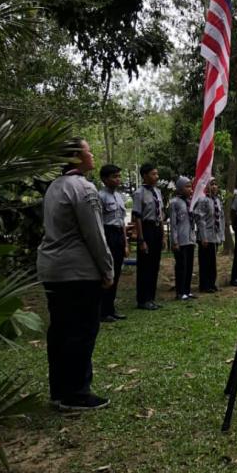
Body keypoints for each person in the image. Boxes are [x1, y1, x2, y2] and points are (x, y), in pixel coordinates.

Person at [37, 138, 113, 411]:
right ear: (75, 158)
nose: (92, 154)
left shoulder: (53, 187)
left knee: (59, 331)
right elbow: (94, 234)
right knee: (81, 331)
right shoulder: (83, 188)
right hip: (78, 272)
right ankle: (78, 393)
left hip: (52, 269)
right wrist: (107, 269)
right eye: (88, 150)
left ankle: (59, 390)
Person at [98, 164, 129, 322]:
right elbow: (98, 222)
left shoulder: (119, 196)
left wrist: (125, 243)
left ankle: (111, 308)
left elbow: (122, 221)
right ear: (104, 179)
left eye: (119, 176)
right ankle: (103, 311)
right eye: (114, 177)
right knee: (107, 272)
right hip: (107, 233)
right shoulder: (100, 196)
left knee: (116, 272)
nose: (118, 179)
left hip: (118, 234)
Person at [132, 163, 164, 310]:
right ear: (145, 176)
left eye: (157, 174)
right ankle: (142, 299)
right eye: (153, 174)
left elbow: (161, 215)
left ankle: (151, 297)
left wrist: (163, 236)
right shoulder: (139, 193)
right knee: (145, 265)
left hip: (157, 228)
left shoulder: (157, 192)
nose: (156, 177)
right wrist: (141, 239)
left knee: (154, 265)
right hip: (146, 228)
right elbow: (137, 217)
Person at [194, 177, 225, 292]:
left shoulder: (217, 200)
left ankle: (212, 283)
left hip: (214, 235)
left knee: (212, 261)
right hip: (205, 236)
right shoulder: (202, 200)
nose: (214, 186)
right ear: (206, 187)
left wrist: (221, 235)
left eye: (216, 184)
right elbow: (200, 218)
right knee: (205, 261)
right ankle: (204, 285)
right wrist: (203, 236)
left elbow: (221, 218)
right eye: (212, 184)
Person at [170, 176, 196, 301]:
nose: (190, 189)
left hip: (190, 238)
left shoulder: (190, 201)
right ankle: (180, 292)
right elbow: (173, 224)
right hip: (180, 239)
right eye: (187, 186)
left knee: (190, 265)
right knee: (181, 266)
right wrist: (174, 241)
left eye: (190, 186)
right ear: (180, 189)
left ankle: (187, 290)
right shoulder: (174, 202)